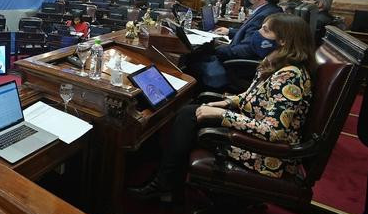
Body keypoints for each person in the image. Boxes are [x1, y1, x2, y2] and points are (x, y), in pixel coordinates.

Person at [129, 13, 316, 200]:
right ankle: (167, 182)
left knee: (188, 116)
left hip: (267, 154)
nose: (258, 33)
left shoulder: (290, 76)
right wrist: (227, 102)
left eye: (265, 30)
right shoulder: (277, 64)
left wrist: (222, 115)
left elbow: (274, 131)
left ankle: (164, 184)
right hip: (255, 130)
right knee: (190, 112)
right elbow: (255, 97)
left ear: (283, 40)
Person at [191, 0, 284, 93]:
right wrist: (230, 32)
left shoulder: (265, 15)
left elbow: (249, 49)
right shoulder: (269, 10)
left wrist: (218, 49)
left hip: (239, 67)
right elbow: (252, 34)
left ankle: (193, 98)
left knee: (192, 59)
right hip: (241, 59)